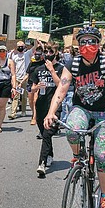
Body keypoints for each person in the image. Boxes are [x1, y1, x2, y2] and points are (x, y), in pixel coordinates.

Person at [43, 27, 105, 208]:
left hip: (104, 112)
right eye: (84, 42)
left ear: (99, 44)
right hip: (83, 109)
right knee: (72, 129)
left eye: (92, 41)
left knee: (102, 155)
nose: (88, 45)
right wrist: (51, 112)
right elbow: (62, 89)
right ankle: (77, 156)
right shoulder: (73, 63)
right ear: (78, 45)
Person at [31, 48, 63, 177]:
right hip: (41, 105)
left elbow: (61, 85)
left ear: (56, 53)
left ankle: (42, 164)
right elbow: (32, 88)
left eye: (51, 52)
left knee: (47, 133)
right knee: (45, 134)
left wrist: (51, 70)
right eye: (47, 52)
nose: (48, 55)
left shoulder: (61, 69)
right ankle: (49, 154)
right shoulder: (38, 69)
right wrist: (36, 87)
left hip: (54, 107)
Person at [8, 40, 34, 119]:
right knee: (15, 96)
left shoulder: (27, 54)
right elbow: (9, 63)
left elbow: (34, 47)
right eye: (18, 46)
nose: (20, 48)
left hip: (25, 78)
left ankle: (23, 111)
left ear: (24, 47)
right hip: (17, 78)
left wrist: (36, 39)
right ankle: (13, 113)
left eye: (21, 46)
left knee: (24, 96)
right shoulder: (14, 56)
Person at [26, 48, 45, 126]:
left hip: (39, 83)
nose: (37, 56)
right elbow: (27, 73)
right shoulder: (31, 63)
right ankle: (34, 112)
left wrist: (40, 43)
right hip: (30, 82)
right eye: (36, 54)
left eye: (39, 54)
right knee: (30, 101)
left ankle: (34, 117)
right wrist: (21, 83)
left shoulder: (43, 63)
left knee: (35, 100)